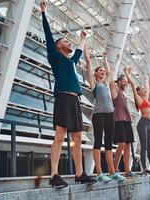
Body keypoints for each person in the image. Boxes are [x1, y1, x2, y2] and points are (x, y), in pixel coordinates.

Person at [40, 0, 95, 187]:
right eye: (65, 41)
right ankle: (54, 175)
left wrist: (83, 38)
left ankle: (80, 173)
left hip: (75, 101)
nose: (68, 42)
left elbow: (78, 51)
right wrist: (44, 13)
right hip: (62, 98)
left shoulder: (71, 61)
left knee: (78, 137)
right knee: (60, 135)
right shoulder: (54, 57)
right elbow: (48, 36)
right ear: (58, 47)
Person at [83, 48, 125, 182]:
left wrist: (114, 59)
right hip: (98, 115)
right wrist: (85, 50)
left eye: (103, 70)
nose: (103, 71)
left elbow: (112, 71)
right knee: (97, 142)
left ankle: (112, 172)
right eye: (100, 70)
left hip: (109, 115)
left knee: (108, 144)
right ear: (95, 74)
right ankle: (99, 173)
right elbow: (89, 65)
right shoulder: (94, 83)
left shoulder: (107, 83)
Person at [123, 67, 150, 176]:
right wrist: (127, 74)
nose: (144, 89)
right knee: (144, 147)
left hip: (148, 123)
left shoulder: (148, 100)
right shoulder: (139, 99)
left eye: (143, 88)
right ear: (138, 91)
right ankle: (144, 169)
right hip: (142, 123)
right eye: (142, 88)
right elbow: (132, 85)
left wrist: (149, 77)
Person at [110, 71, 137, 179]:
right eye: (124, 81)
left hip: (127, 120)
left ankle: (127, 171)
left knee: (128, 145)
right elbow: (110, 80)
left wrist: (128, 74)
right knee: (121, 144)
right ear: (119, 82)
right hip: (118, 120)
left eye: (126, 82)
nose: (126, 83)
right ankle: (114, 168)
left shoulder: (124, 93)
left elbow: (131, 84)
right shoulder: (115, 90)